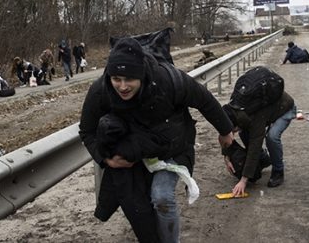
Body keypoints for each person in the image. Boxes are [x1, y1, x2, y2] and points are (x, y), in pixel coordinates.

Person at [79, 37, 234, 243]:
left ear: (142, 74)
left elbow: (204, 99)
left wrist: (225, 131)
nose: (122, 87)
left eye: (129, 79)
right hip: (134, 151)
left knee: (161, 197)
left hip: (173, 145)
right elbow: (87, 131)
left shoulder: (168, 80)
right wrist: (106, 160)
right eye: (117, 78)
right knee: (139, 210)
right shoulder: (101, 91)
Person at [221, 87, 296, 195]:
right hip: (269, 110)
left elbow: (254, 147)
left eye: (233, 130)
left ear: (235, 126)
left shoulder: (255, 117)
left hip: (285, 109)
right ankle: (263, 159)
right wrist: (226, 157)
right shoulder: (233, 108)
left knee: (272, 137)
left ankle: (278, 171)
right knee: (244, 132)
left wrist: (243, 181)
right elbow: (224, 135)